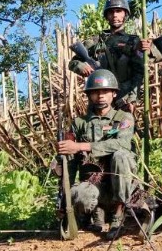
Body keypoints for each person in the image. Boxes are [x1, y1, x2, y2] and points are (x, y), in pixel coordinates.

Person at [58, 69, 138, 236]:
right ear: (89, 95)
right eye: (96, 92)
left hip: (122, 186)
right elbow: (70, 161)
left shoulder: (124, 118)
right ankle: (94, 215)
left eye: (105, 91)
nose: (101, 95)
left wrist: (82, 146)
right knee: (78, 194)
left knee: (121, 155)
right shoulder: (80, 123)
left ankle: (118, 215)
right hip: (96, 186)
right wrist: (64, 198)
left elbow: (122, 143)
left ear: (114, 94)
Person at [68, 0, 144, 111]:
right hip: (99, 98)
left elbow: (139, 73)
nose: (115, 15)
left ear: (125, 14)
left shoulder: (133, 41)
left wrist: (132, 99)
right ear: (106, 16)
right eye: (111, 12)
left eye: (118, 11)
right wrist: (81, 66)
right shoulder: (96, 41)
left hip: (123, 98)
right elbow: (73, 62)